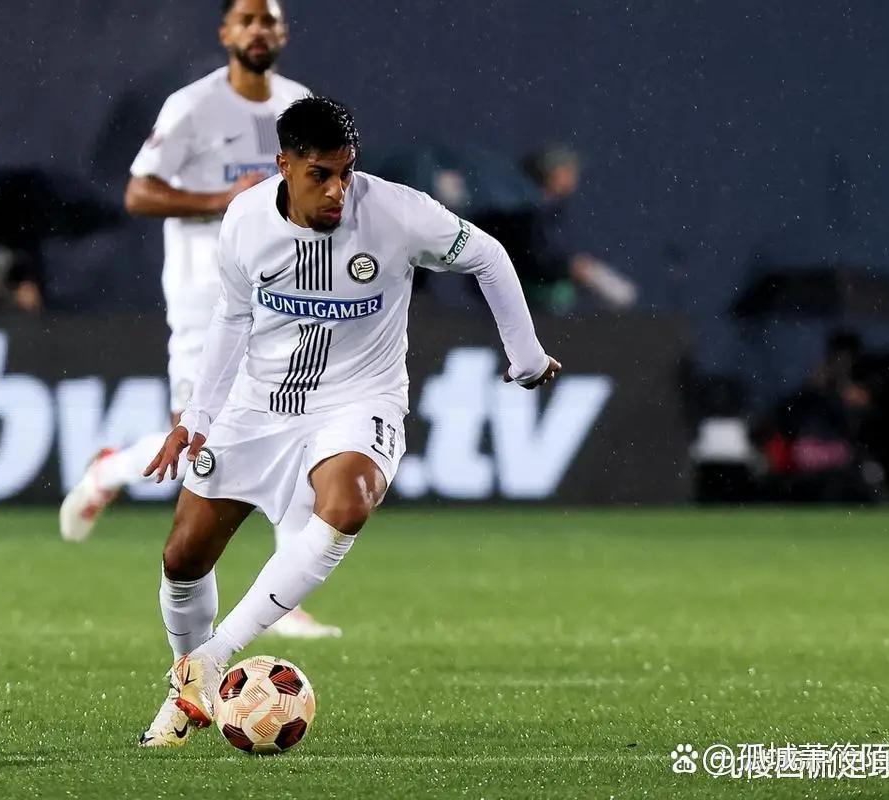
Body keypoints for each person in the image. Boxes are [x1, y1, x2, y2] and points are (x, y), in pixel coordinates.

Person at [136, 96, 561, 746]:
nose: (338, 190)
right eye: (321, 175)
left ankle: (215, 656)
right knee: (183, 557)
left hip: (360, 401)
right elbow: (232, 316)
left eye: (346, 172)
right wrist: (197, 416)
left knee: (349, 500)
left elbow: (488, 255)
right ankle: (184, 688)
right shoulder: (245, 219)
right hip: (259, 403)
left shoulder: (397, 212)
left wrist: (525, 356)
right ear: (284, 165)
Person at [59, 1, 339, 638]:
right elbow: (139, 192)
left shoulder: (301, 106)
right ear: (226, 33)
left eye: (269, 20)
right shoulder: (192, 107)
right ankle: (110, 468)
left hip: (285, 296)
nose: (259, 30)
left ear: (283, 32)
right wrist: (223, 199)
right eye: (248, 19)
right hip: (204, 300)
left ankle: (285, 599)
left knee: (301, 430)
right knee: (199, 447)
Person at [472, 145, 637, 313]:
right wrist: (571, 268)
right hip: (517, 296)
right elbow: (534, 257)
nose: (573, 175)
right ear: (552, 173)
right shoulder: (526, 210)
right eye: (567, 169)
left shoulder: (549, 208)